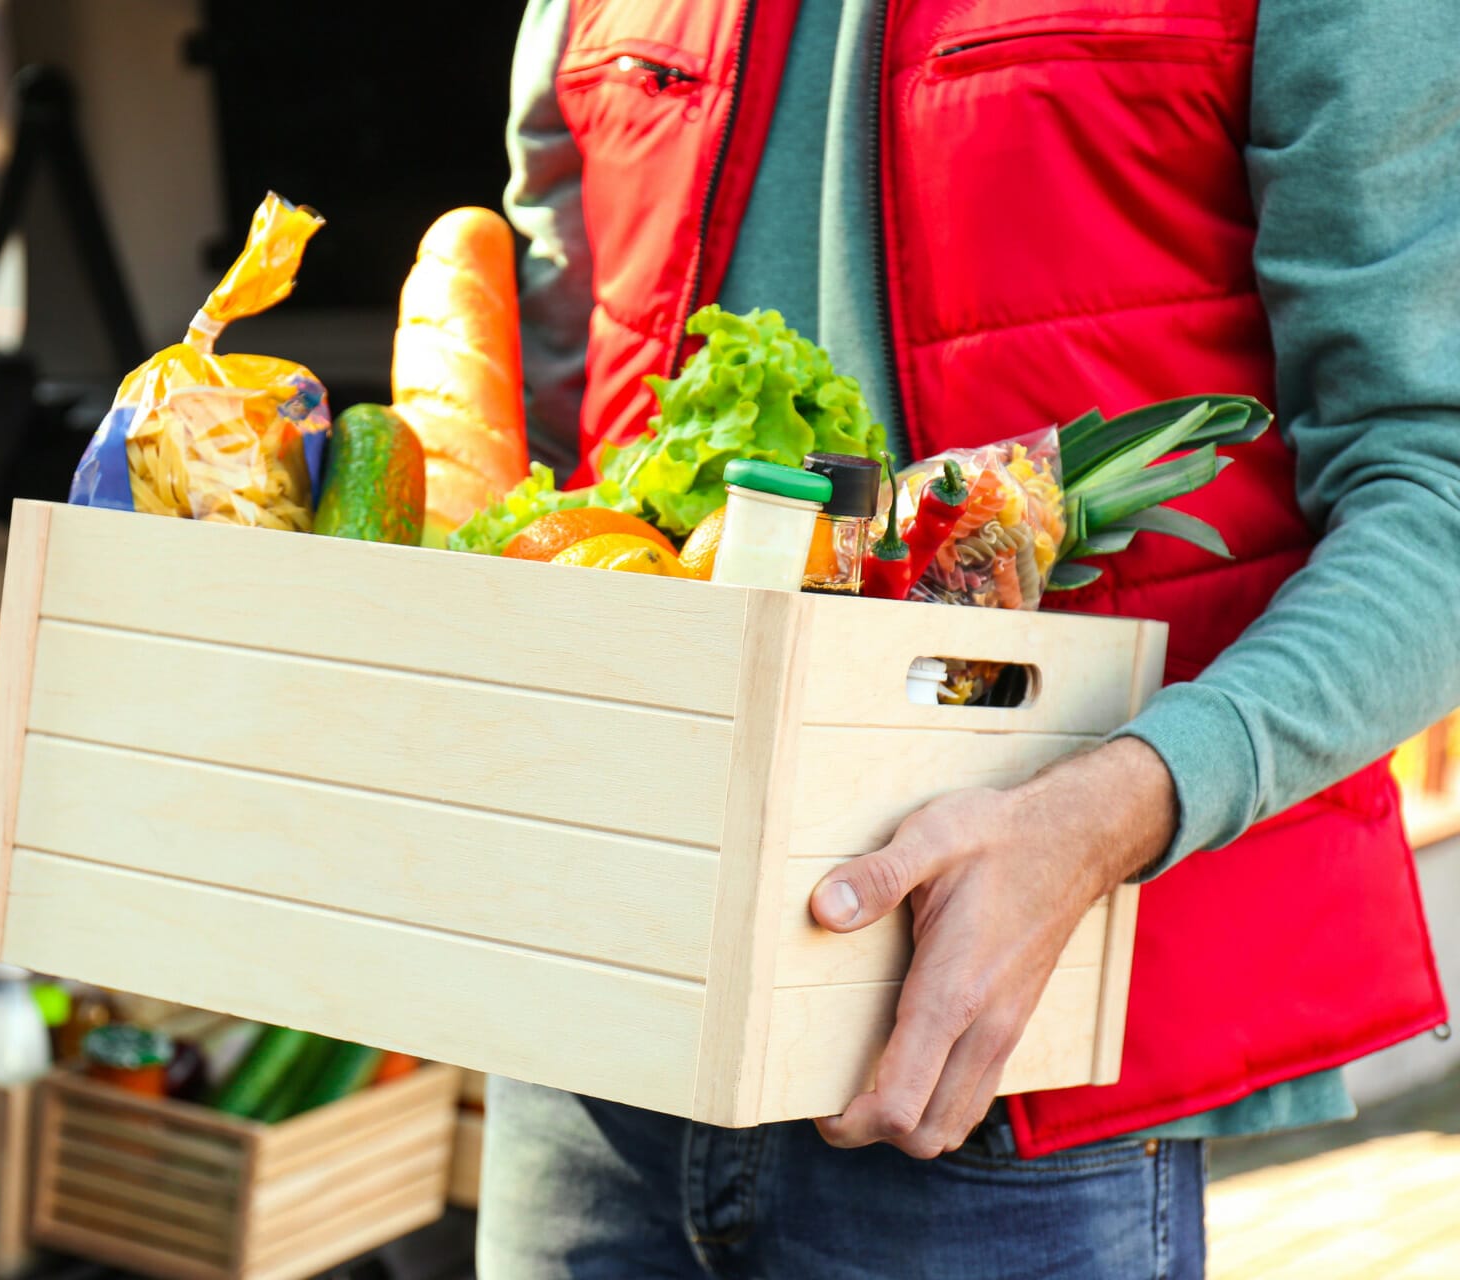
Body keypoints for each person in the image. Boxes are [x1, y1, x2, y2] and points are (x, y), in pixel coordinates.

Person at [479, 1, 1460, 1275]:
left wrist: (1107, 811)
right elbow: (553, 454)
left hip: (1005, 1072)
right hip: (600, 1035)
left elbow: (1432, 482)